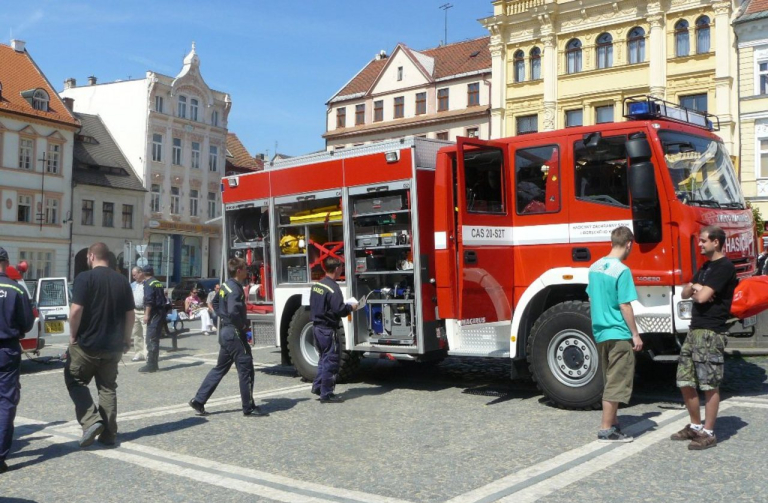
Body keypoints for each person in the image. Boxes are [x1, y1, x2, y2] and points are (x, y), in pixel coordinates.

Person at [672, 225, 737, 450]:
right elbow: (685, 292)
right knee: (685, 380)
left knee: (709, 383)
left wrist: (697, 290)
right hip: (694, 330)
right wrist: (696, 287)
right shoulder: (705, 267)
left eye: (703, 241)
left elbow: (702, 298)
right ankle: (695, 425)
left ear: (716, 242)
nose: (699, 244)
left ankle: (708, 432)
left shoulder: (724, 267)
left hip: (711, 332)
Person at [64, 243, 134, 448]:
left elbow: (76, 311)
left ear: (91, 256)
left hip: (87, 344)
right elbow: (130, 315)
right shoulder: (122, 281)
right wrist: (126, 340)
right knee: (107, 388)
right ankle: (109, 433)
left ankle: (91, 421)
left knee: (74, 379)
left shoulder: (84, 278)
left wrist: (72, 336)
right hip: (113, 347)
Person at [189, 258, 267, 417]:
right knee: (246, 369)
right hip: (234, 332)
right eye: (245, 268)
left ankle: (199, 400)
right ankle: (249, 407)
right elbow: (233, 310)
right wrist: (242, 324)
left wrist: (222, 316)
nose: (247, 271)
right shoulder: (236, 289)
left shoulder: (225, 285)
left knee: (220, 368)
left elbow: (215, 302)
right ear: (238, 271)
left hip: (226, 332)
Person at [586, 226, 643, 443]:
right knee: (617, 382)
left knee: (609, 378)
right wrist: (635, 334)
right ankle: (606, 428)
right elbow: (625, 305)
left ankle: (615, 423)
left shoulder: (594, 267)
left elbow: (591, 298)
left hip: (600, 332)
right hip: (618, 332)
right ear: (629, 244)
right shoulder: (622, 270)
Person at [0, 247, 35, 473]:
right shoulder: (16, 289)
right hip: (6, 350)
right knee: (5, 401)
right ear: (7, 263)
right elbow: (27, 322)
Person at [310, 257, 358, 403]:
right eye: (341, 267)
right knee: (331, 361)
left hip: (317, 328)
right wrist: (351, 307)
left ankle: (318, 387)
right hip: (327, 329)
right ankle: (327, 394)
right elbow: (340, 310)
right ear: (337, 269)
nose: (341, 270)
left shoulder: (317, 285)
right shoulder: (333, 288)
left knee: (323, 359)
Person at [139, 265, 166, 373]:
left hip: (154, 313)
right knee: (155, 338)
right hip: (160, 312)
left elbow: (149, 301)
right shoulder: (157, 282)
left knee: (151, 338)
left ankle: (151, 364)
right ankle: (154, 364)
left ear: (144, 273)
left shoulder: (149, 284)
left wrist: (146, 314)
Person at [130, 266, 147, 362]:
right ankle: (138, 353)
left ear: (141, 273)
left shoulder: (147, 284)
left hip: (144, 311)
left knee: (146, 334)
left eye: (135, 275)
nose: (133, 277)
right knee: (136, 333)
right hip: (135, 311)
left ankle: (146, 354)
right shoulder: (132, 285)